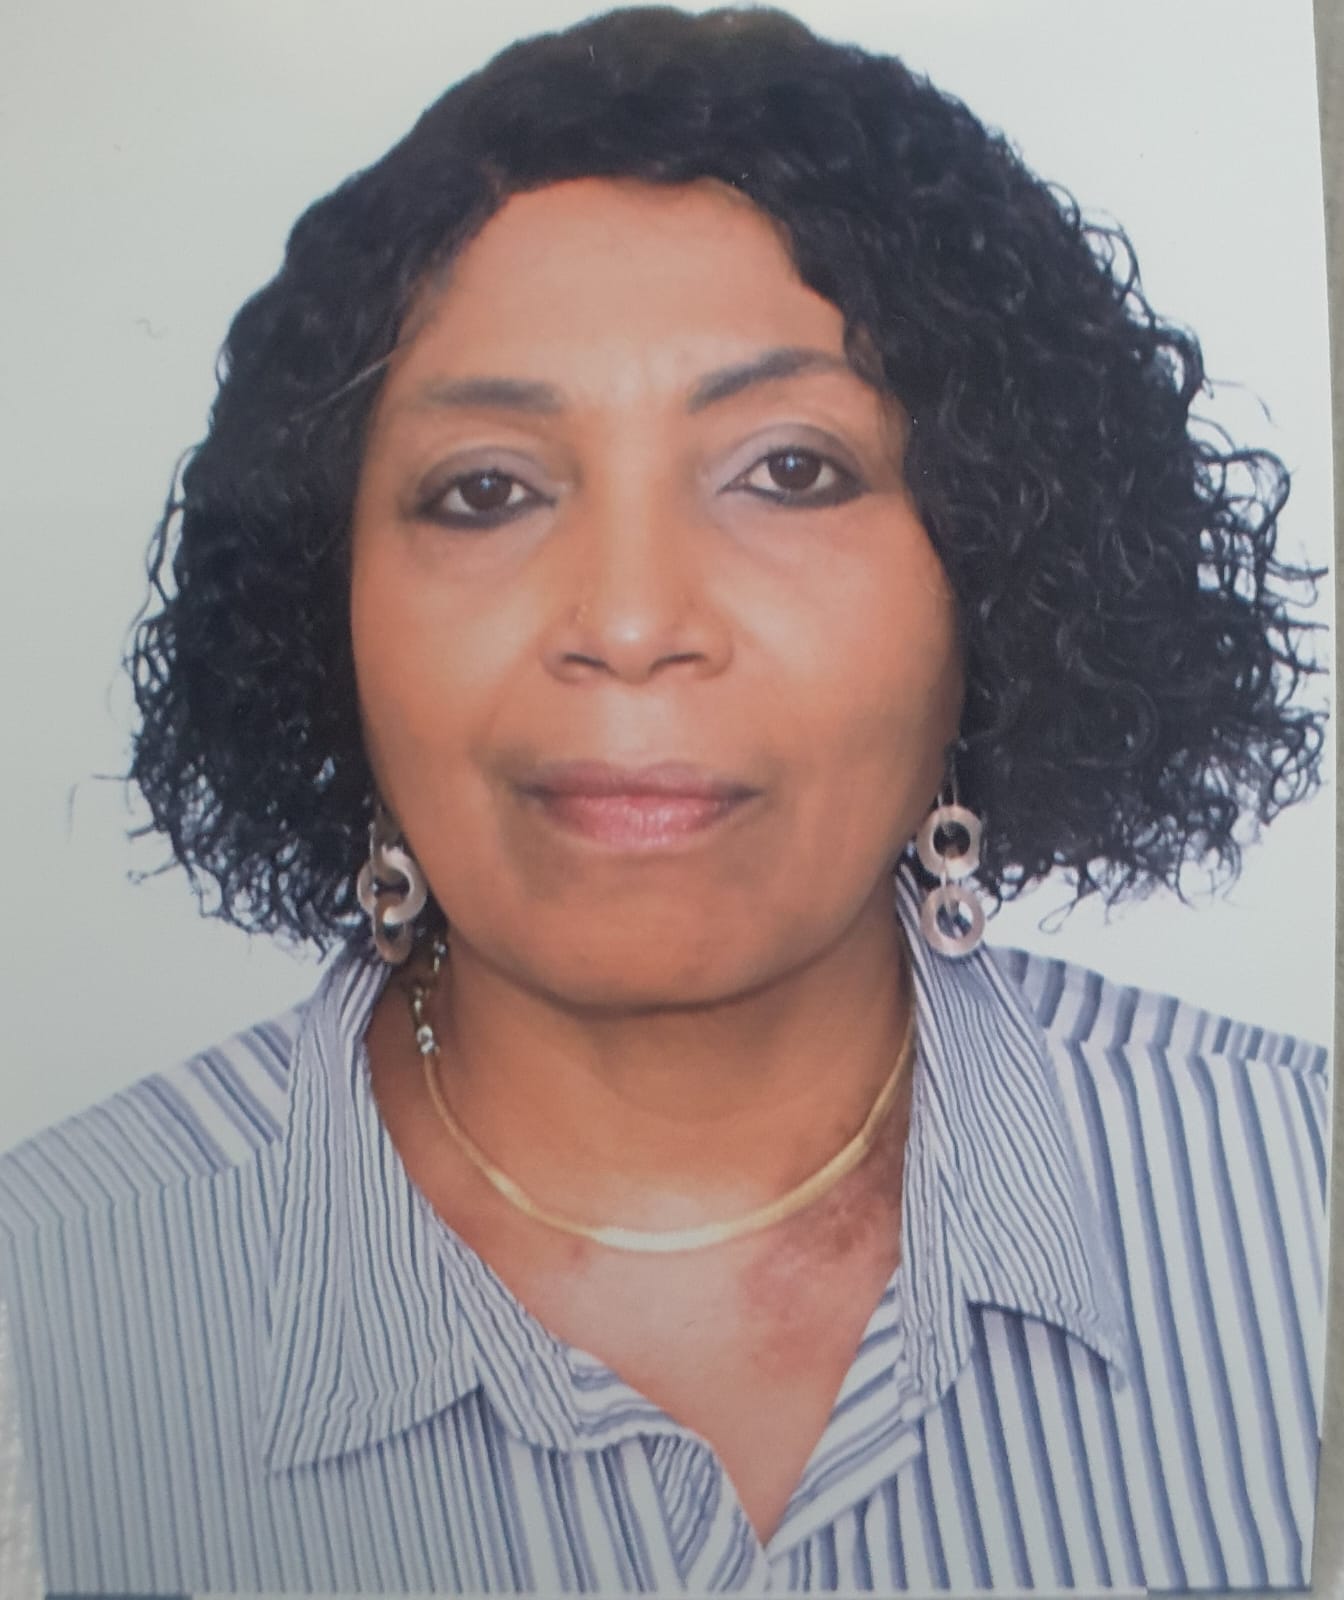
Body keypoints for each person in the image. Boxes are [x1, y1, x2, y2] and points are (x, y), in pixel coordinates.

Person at [0, 5, 1329, 1594]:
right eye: (487, 490)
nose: (630, 622)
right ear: (320, 608)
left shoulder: (1301, 1194)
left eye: (791, 471)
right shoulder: (37, 1315)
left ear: (997, 576)